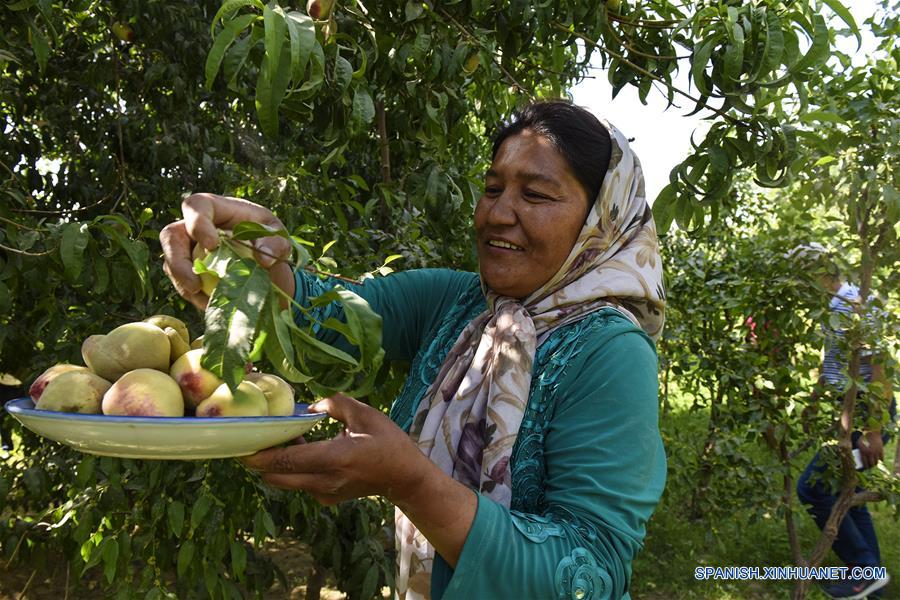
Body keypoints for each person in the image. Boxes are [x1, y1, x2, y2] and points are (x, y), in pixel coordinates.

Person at [161, 100, 667, 599]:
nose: (497, 213)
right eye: (492, 189)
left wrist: (413, 484)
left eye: (534, 194)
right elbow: (329, 321)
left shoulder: (609, 351)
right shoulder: (455, 301)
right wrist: (252, 256)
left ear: (603, 220)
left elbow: (591, 572)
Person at [794, 248, 895, 600]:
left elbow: (879, 369)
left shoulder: (851, 304)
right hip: (848, 414)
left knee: (812, 489)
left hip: (865, 416)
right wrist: (813, 402)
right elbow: (833, 362)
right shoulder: (833, 306)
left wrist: (873, 431)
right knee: (844, 492)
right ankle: (873, 583)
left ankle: (865, 570)